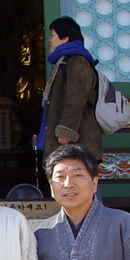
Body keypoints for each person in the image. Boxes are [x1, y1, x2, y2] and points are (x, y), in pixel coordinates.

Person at [39, 16, 103, 165]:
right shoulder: (64, 61)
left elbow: (76, 97)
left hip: (77, 144)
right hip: (70, 145)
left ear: (65, 38)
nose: (50, 40)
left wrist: (66, 130)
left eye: (53, 35)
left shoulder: (77, 61)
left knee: (79, 176)